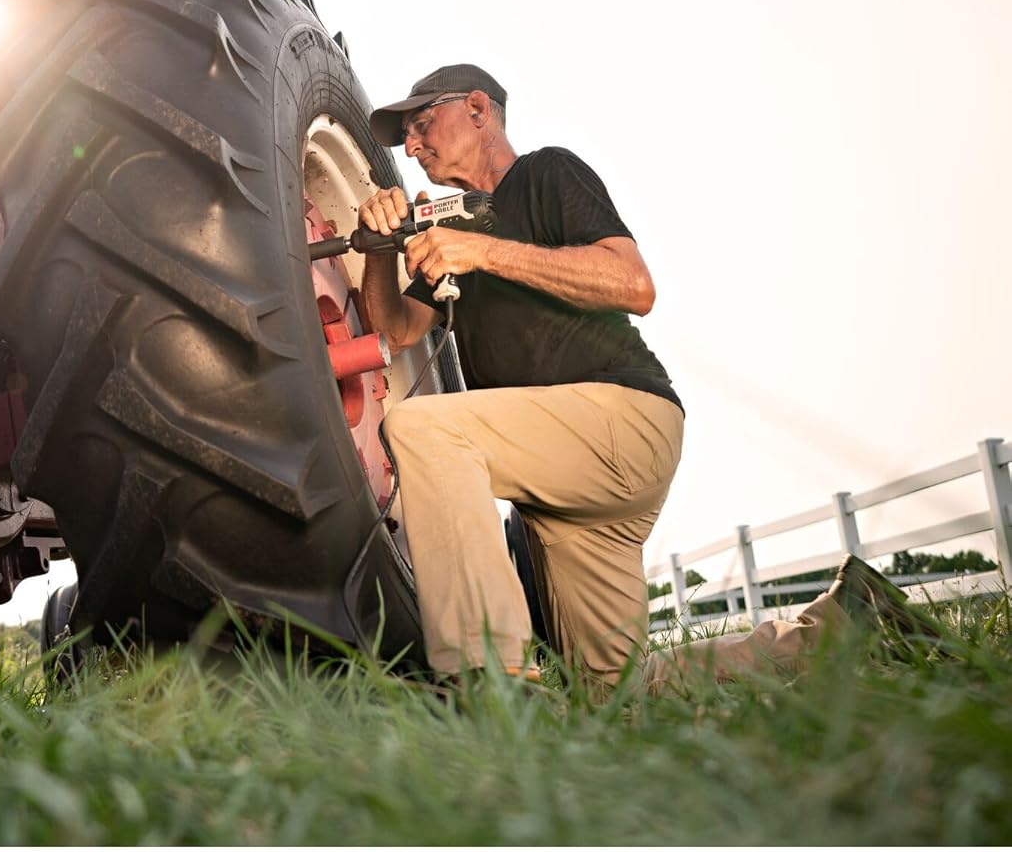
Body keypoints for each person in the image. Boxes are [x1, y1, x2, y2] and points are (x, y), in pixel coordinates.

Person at [363, 64, 940, 692]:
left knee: (422, 427)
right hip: (557, 486)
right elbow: (394, 332)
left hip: (623, 419)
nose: (413, 146)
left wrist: (480, 253)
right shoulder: (456, 226)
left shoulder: (547, 173)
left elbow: (632, 285)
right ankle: (849, 623)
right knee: (616, 696)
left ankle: (492, 680)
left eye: (422, 125)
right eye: (407, 139)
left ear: (478, 108)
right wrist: (377, 247)